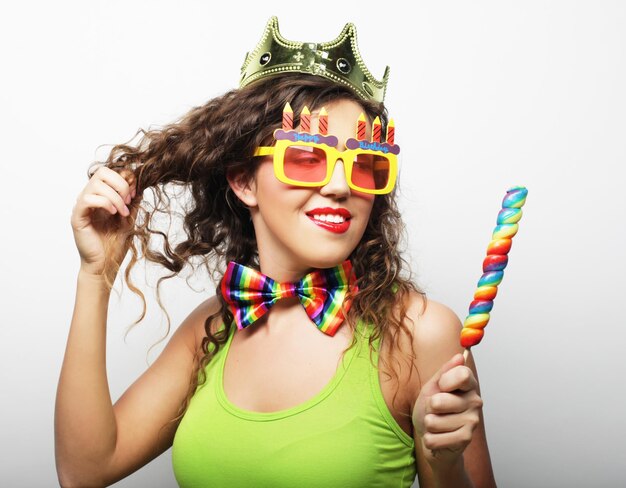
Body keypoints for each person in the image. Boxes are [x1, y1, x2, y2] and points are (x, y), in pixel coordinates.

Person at [55, 17, 496, 487]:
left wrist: (445, 462)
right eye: (307, 158)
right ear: (244, 180)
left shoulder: (422, 332)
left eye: (366, 165)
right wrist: (95, 274)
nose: (341, 185)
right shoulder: (214, 325)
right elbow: (85, 470)